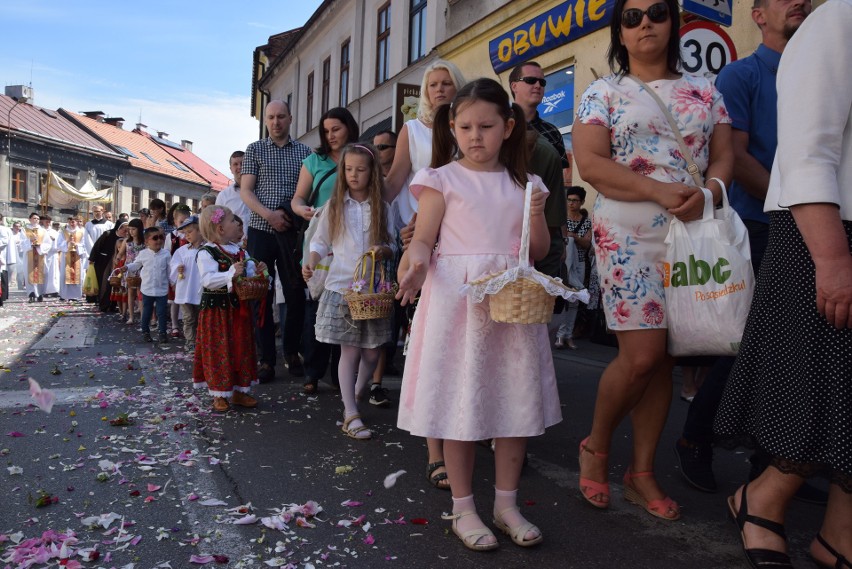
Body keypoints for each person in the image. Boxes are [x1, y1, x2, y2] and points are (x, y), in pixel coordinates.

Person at [571, 0, 732, 520]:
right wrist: (659, 191)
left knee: (665, 356)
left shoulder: (708, 91)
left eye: (657, 13)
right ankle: (596, 447)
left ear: (674, 23)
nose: (645, 24)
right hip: (627, 231)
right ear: (620, 30)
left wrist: (708, 191)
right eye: (632, 16)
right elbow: (591, 163)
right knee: (641, 356)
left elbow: (725, 156)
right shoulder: (603, 91)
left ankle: (642, 471)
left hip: (691, 232)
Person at [715, 2, 852, 567]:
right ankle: (763, 499)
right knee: (817, 390)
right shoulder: (838, 20)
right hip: (827, 231)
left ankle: (839, 532)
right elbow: (806, 151)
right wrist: (832, 254)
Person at [396, 78, 560, 551]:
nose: (475, 136)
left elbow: (538, 250)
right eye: (465, 126)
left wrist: (534, 213)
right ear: (452, 126)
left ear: (508, 128)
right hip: (458, 302)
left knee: (513, 405)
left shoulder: (527, 183)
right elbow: (425, 237)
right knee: (460, 406)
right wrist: (417, 264)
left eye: (486, 126)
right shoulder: (441, 178)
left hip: (510, 305)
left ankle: (506, 504)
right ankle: (463, 508)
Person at [674, 0, 813, 495]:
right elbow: (734, 154)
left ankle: (775, 463)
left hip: (814, 225)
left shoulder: (817, 67)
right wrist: (798, 203)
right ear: (756, 14)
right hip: (761, 224)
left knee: (793, 350)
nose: (800, 0)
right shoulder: (740, 75)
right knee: (744, 344)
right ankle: (695, 439)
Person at [384, 59, 466, 492]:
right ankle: (435, 448)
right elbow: (395, 181)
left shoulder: (471, 129)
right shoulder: (412, 132)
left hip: (467, 241)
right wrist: (354, 190)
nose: (438, 88)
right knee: (432, 341)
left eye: (446, 82)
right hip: (422, 238)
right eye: (432, 83)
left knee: (468, 339)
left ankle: (472, 425)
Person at [302, 144, 394, 439]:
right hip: (343, 286)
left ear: (372, 173)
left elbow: (395, 243)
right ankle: (350, 412)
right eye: (348, 169)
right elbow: (320, 241)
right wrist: (312, 261)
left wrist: (385, 249)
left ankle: (355, 391)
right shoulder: (335, 206)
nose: (354, 175)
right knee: (350, 349)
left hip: (372, 290)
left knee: (371, 352)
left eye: (361, 169)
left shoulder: (382, 207)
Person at [240, 100, 312, 383]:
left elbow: (306, 192)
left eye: (281, 117)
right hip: (260, 229)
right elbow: (246, 191)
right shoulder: (254, 150)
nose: (276, 122)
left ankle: (291, 352)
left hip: (291, 232)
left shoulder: (305, 153)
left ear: (290, 119)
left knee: (295, 294)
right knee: (260, 296)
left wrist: (289, 216)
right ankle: (266, 359)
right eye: (270, 117)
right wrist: (269, 215)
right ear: (266, 120)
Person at [291, 107, 360, 393]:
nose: (331, 135)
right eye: (326, 130)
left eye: (337, 129)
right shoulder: (314, 160)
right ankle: (312, 373)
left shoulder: (360, 156)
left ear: (349, 128)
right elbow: (298, 199)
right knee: (317, 308)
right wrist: (303, 211)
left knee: (347, 307)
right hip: (320, 240)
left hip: (352, 243)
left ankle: (339, 375)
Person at [193, 205, 265, 412]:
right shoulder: (207, 252)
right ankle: (218, 393)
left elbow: (247, 277)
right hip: (216, 311)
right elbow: (208, 280)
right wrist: (230, 274)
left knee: (240, 348)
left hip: (238, 310)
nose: (237, 223)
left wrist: (258, 273)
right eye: (233, 220)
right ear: (220, 229)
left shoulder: (242, 251)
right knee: (218, 349)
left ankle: (239, 391)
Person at [369, 128, 401, 406]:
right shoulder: (370, 180)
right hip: (379, 263)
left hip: (403, 253)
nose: (379, 153)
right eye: (375, 148)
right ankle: (367, 380)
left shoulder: (407, 174)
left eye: (384, 148)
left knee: (392, 323)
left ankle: (377, 381)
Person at [509, 60, 570, 169]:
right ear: (514, 86)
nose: (538, 85)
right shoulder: (499, 124)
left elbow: (560, 177)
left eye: (542, 82)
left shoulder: (552, 131)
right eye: (530, 80)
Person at [554, 186, 592, 350]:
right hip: (563, 263)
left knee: (575, 299)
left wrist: (574, 236)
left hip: (581, 262)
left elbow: (587, 243)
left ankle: (568, 335)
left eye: (575, 200)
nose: (571, 204)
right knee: (563, 296)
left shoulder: (586, 222)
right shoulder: (561, 219)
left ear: (582, 202)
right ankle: (559, 335)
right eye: (569, 200)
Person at [121, 226, 172, 343]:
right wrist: (127, 267)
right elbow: (136, 264)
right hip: (147, 288)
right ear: (147, 242)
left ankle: (162, 333)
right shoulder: (143, 254)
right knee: (147, 311)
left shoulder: (166, 254)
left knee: (161, 312)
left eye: (161, 237)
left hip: (161, 289)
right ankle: (145, 331)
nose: (159, 240)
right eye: (155, 238)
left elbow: (170, 270)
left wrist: (173, 282)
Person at [170, 215, 204, 353]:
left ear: (200, 231)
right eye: (185, 233)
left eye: (190, 232)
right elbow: (173, 264)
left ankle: (200, 341)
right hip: (185, 290)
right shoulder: (182, 251)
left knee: (200, 317)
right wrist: (177, 267)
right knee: (188, 318)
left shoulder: (207, 249)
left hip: (200, 290)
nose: (187, 235)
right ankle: (190, 342)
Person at [166, 203, 192, 338]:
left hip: (190, 271)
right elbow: (167, 255)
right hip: (176, 272)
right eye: (181, 222)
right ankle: (175, 324)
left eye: (186, 222)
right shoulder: (171, 237)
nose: (183, 225)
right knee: (175, 300)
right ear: (175, 222)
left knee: (187, 297)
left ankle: (189, 322)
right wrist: (172, 275)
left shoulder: (191, 236)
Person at [215, 151, 251, 242]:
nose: (239, 167)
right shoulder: (223, 196)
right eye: (235, 164)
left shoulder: (260, 191)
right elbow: (217, 224)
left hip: (258, 244)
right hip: (233, 247)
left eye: (243, 163)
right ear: (231, 169)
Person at [21, 212, 51, 303]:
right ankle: (31, 293)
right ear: (29, 219)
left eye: (37, 219)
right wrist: (30, 241)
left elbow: (48, 243)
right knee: (29, 273)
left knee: (42, 273)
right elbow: (21, 243)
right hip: (29, 255)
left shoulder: (43, 231)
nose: (36, 220)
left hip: (40, 254)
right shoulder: (24, 230)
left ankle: (40, 293)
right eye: (34, 218)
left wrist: (40, 246)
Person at [56, 216, 87, 301]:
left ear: (76, 222)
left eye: (74, 222)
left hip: (77, 256)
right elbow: (58, 244)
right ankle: (65, 295)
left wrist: (77, 245)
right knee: (64, 275)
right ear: (68, 222)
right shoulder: (63, 232)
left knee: (77, 275)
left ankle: (75, 296)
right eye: (70, 222)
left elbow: (85, 244)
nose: (72, 224)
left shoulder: (82, 232)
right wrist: (67, 241)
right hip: (66, 256)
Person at [123, 219, 146, 325]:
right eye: (130, 229)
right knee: (130, 293)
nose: (131, 231)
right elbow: (121, 253)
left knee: (140, 293)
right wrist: (118, 259)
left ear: (139, 229)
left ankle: (142, 316)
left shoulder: (144, 242)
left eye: (134, 229)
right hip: (129, 268)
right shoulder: (127, 241)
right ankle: (131, 317)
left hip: (141, 268)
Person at [110, 222, 129, 319]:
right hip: (117, 280)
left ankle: (124, 313)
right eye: (118, 247)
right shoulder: (116, 258)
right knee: (118, 298)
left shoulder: (127, 259)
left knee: (124, 298)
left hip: (124, 280)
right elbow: (114, 269)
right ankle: (121, 312)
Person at [39, 215, 60, 298]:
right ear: (42, 222)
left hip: (52, 253)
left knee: (53, 272)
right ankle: (45, 290)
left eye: (49, 221)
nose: (47, 223)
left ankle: (54, 290)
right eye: (46, 221)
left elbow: (58, 243)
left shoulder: (54, 232)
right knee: (44, 272)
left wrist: (54, 240)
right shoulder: (40, 231)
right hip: (43, 254)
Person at [0, 215, 14, 307]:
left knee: (2, 276)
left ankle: (1, 298)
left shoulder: (3, 229)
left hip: (1, 253)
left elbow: (4, 241)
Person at [11, 222, 24, 291]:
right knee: (12, 268)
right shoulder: (10, 234)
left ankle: (20, 284)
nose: (17, 228)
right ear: (13, 227)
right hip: (12, 253)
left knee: (20, 269)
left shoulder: (21, 235)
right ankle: (12, 282)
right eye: (16, 226)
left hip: (20, 253)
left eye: (19, 226)